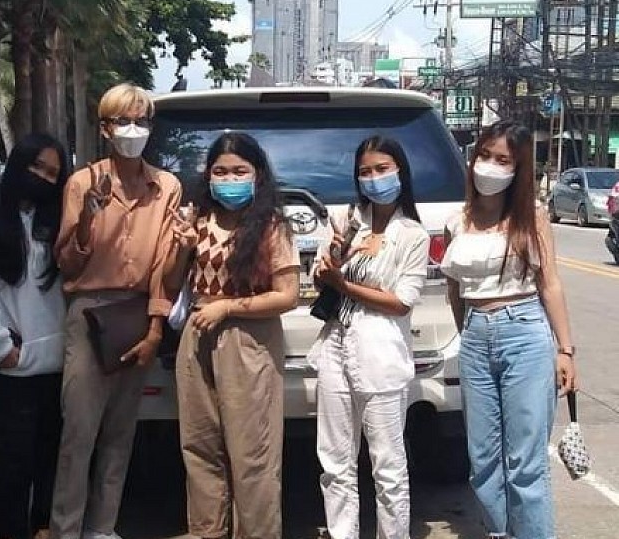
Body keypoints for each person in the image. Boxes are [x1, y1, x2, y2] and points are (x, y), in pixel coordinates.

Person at [49, 83, 181, 539]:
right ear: (105, 129)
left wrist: (156, 328)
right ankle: (66, 529)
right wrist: (88, 218)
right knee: (78, 432)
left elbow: (164, 263)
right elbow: (67, 263)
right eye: (123, 121)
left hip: (138, 312)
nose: (133, 130)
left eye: (141, 121)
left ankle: (102, 528)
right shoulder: (82, 182)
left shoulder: (166, 187)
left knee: (120, 433)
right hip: (89, 311)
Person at [441, 119, 577, 539]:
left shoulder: (532, 217)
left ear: (518, 170)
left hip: (525, 332)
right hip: (475, 337)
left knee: (524, 464)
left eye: (503, 160)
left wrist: (565, 350)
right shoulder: (457, 220)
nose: (489, 166)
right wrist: (471, 333)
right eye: (484, 155)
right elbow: (455, 292)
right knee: (483, 461)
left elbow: (550, 283)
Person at [166, 131, 300, 539]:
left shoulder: (272, 227)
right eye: (220, 171)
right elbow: (171, 284)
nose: (229, 179)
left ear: (257, 174)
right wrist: (182, 248)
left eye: (239, 171)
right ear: (208, 176)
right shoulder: (197, 222)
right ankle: (207, 531)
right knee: (199, 446)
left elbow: (287, 296)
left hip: (248, 342)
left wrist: (228, 307)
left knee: (252, 453)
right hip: (198, 337)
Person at [310, 135, 429, 539]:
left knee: (388, 467)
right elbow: (320, 279)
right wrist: (336, 256)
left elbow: (401, 302)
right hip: (335, 347)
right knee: (334, 461)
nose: (374, 178)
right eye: (365, 172)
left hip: (381, 356)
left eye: (382, 169)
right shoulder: (347, 221)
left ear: (400, 172)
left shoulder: (412, 234)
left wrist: (343, 284)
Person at [0, 133, 69, 539]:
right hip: (12, 362)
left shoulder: (56, 214)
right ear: (18, 162)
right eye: (37, 166)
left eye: (53, 174)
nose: (43, 178)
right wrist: (0, 346)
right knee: (11, 462)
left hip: (56, 361)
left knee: (50, 459)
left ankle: (43, 529)